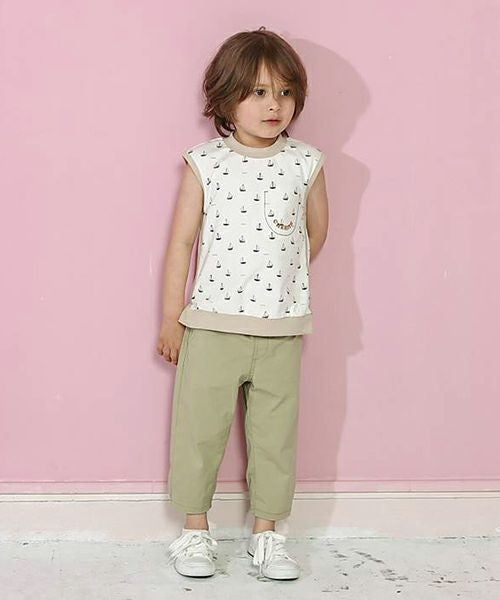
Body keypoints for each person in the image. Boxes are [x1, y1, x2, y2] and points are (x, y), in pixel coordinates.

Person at [157, 25, 329, 581]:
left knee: (275, 437)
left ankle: (268, 536)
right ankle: (194, 531)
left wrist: (279, 278)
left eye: (284, 92)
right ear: (226, 98)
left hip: (281, 326)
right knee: (199, 431)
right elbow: (182, 243)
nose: (273, 104)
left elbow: (315, 234)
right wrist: (172, 319)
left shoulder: (306, 162)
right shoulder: (205, 162)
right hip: (211, 324)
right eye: (257, 92)